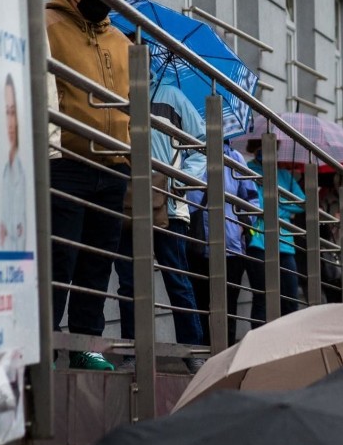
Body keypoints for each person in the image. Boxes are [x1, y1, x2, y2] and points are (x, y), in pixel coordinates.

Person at [46, 0, 131, 371]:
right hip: (68, 161)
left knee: (96, 263)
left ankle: (85, 343)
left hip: (114, 166)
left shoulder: (123, 41)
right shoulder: (48, 25)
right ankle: (45, 342)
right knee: (59, 257)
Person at [115, 69, 208, 356]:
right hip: (128, 201)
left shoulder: (172, 97)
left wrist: (177, 182)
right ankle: (133, 352)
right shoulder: (118, 93)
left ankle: (193, 353)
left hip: (169, 205)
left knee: (177, 281)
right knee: (129, 284)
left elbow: (201, 147)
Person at [187, 141, 259, 346]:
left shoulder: (235, 157)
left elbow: (252, 199)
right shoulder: (189, 152)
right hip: (197, 243)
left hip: (231, 246)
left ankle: (223, 358)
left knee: (227, 308)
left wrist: (243, 225)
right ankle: (200, 356)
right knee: (198, 305)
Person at [245, 139, 305, 324]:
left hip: (284, 244)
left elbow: (302, 203)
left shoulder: (284, 175)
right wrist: (282, 206)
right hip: (258, 241)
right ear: (254, 150)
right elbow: (256, 204)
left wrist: (276, 207)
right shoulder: (247, 169)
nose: (271, 153)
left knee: (290, 300)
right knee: (262, 298)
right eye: (263, 148)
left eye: (274, 149)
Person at [0, 74, 27, 251]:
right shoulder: (3, 170)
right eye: (7, 112)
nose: (10, 122)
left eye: (14, 112)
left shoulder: (23, 171)